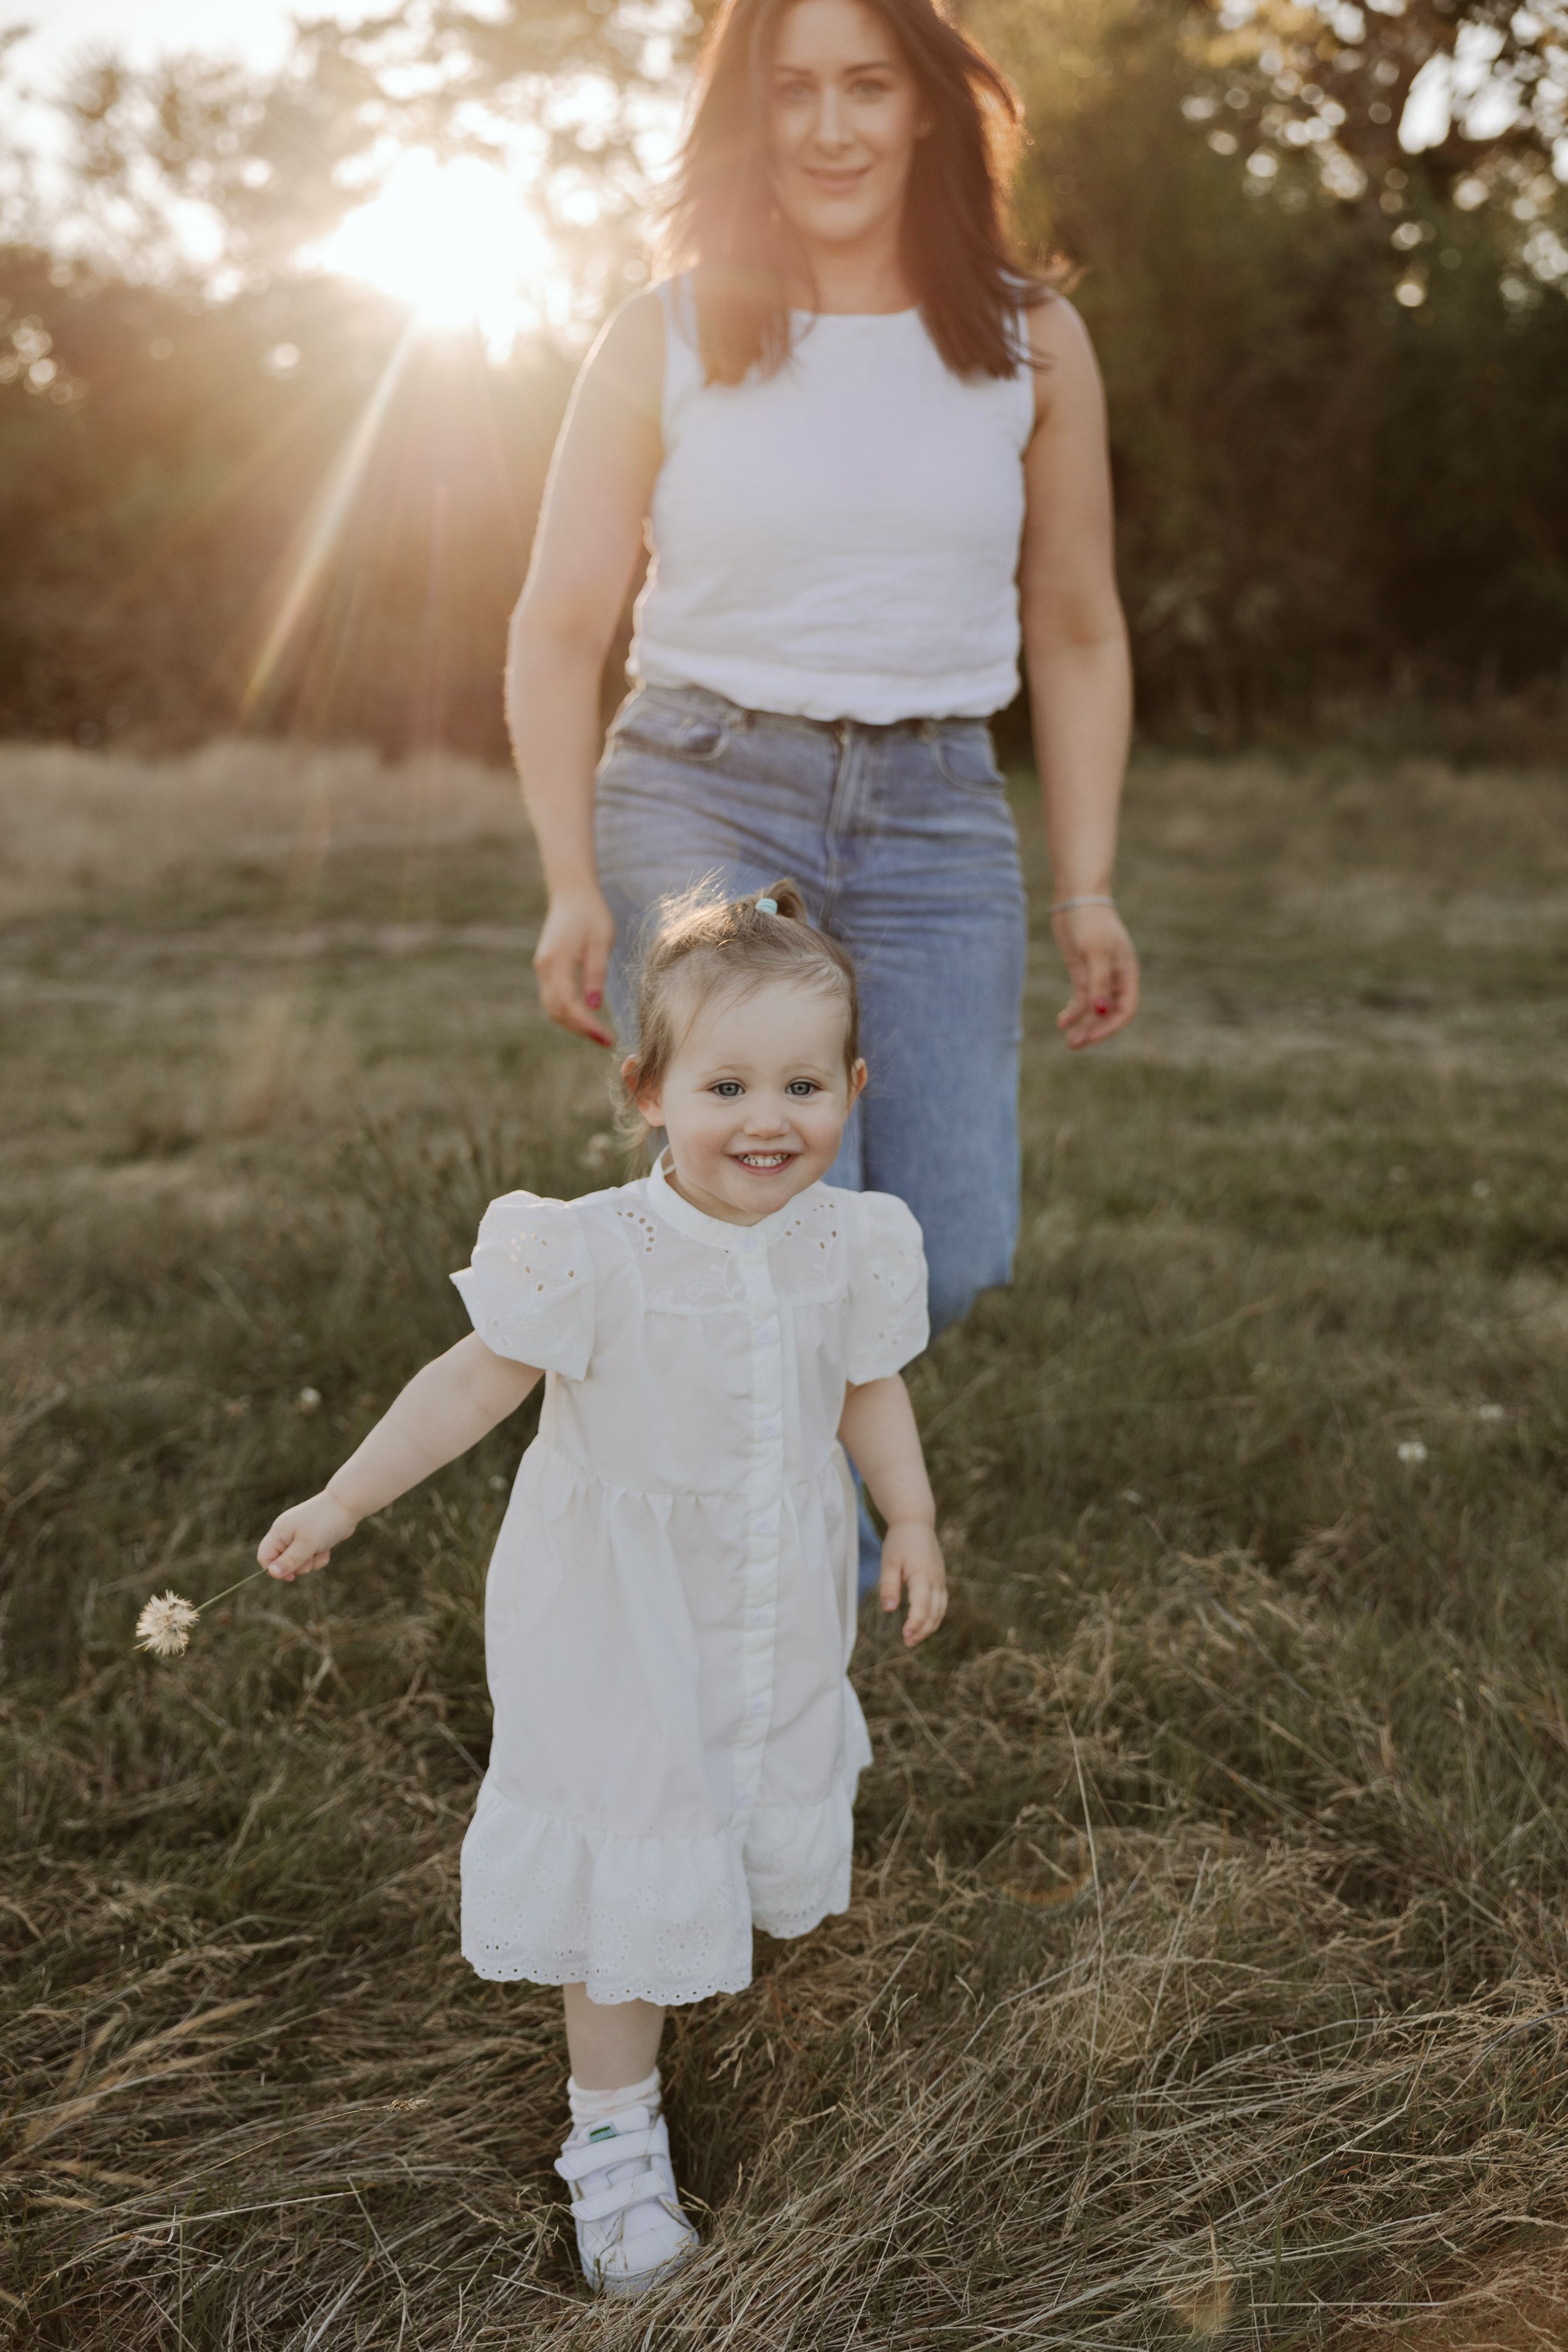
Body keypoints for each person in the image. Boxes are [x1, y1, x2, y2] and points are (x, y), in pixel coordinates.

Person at [505, 0, 1140, 1582]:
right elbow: (560, 621)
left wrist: (1088, 884)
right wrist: (571, 878)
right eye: (793, 91)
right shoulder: (665, 329)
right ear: (749, 115)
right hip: (708, 785)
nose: (833, 126)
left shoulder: (1024, 339)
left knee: (944, 1244)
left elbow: (1073, 623)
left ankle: (774, 1497)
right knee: (770, 1206)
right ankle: (807, 1574)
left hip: (934, 810)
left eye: (867, 85)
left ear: (930, 108)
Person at [256, 883, 947, 2299]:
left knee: (731, 1791)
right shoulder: (586, 1251)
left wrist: (913, 1518)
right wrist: (339, 1499)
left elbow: (866, 1391)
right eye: (727, 1084)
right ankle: (612, 2139)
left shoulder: (849, 1239)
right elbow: (468, 1385)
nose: (770, 1118)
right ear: (646, 1091)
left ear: (853, 1088)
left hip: (767, 1605)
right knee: (638, 1838)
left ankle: (688, 1959)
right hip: (617, 1623)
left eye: (804, 1084)